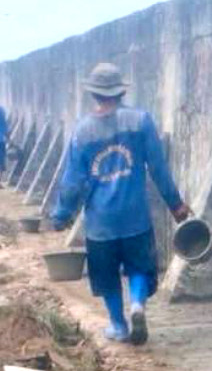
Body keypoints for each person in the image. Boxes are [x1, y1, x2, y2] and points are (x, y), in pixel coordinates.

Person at [49, 63, 191, 345]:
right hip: (136, 218)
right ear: (120, 91)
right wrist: (176, 205)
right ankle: (137, 305)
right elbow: (158, 168)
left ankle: (118, 326)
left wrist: (61, 214)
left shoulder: (82, 131)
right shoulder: (141, 121)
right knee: (139, 268)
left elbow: (72, 181)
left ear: (94, 94)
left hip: (99, 223)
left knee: (107, 277)